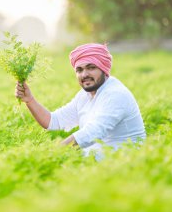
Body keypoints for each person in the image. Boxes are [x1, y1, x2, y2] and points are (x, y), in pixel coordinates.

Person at [15, 43, 146, 159]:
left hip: (124, 167)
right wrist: (29, 100)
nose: (84, 75)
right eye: (79, 70)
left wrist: (51, 154)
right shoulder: (84, 95)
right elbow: (53, 121)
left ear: (104, 69)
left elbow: (92, 133)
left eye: (91, 68)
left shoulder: (116, 95)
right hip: (93, 166)